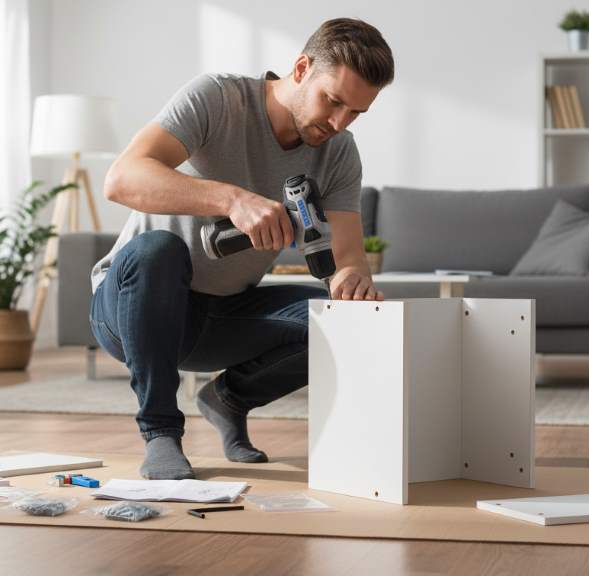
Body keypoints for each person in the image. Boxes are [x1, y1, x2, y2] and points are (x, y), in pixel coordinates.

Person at [89, 18, 394, 480]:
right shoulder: (217, 98)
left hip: (222, 315)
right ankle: (161, 433)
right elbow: (121, 178)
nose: (339, 123)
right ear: (301, 67)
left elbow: (348, 257)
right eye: (332, 101)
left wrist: (351, 282)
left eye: (355, 113)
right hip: (132, 309)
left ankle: (227, 399)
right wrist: (231, 199)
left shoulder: (339, 154)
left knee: (345, 322)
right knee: (157, 251)